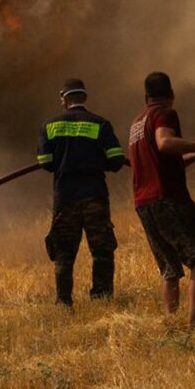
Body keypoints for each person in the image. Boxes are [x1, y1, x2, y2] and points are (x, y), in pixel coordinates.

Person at [128, 71, 195, 326]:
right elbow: (165, 144)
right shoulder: (164, 113)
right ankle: (194, 325)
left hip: (144, 203)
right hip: (167, 199)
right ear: (171, 95)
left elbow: (163, 161)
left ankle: (171, 323)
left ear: (145, 96)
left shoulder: (137, 122)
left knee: (169, 269)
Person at [37, 78, 128, 306]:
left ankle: (64, 302)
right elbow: (117, 160)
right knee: (101, 249)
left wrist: (65, 160)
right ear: (84, 97)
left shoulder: (50, 125)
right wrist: (95, 161)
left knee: (64, 253)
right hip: (94, 194)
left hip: (65, 196)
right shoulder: (101, 124)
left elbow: (45, 162)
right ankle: (101, 297)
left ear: (64, 99)